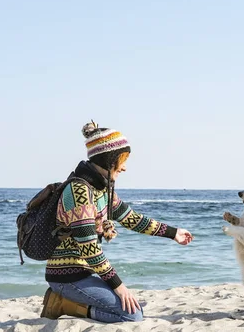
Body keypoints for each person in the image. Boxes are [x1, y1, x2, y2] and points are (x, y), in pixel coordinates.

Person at [40, 121, 194, 323]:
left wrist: (173, 233)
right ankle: (62, 303)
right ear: (109, 160)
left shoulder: (102, 189)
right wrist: (118, 286)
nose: (125, 167)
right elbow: (89, 249)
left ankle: (75, 302)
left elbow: (132, 219)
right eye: (123, 159)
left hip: (84, 274)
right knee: (132, 316)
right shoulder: (80, 192)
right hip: (68, 278)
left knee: (134, 308)